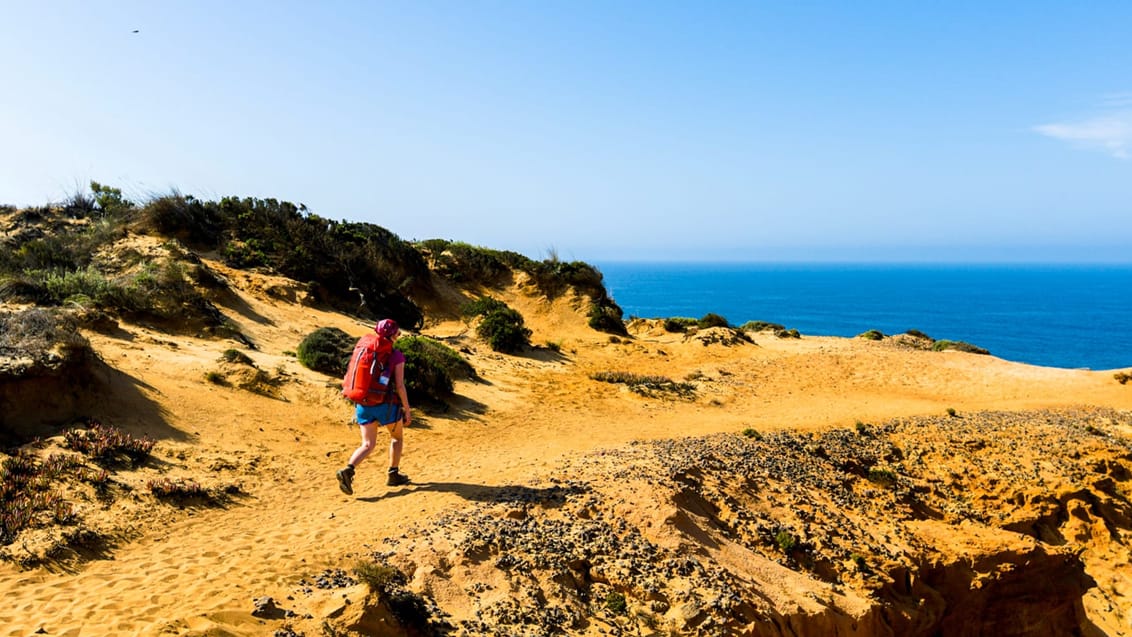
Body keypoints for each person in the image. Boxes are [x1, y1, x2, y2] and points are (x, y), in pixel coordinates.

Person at [336, 318, 412, 494]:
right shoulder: (396, 355)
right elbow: (400, 386)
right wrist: (407, 410)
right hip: (386, 405)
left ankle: (348, 470)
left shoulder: (367, 347)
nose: (399, 336)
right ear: (393, 335)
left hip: (363, 403)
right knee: (397, 438)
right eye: (398, 333)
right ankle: (393, 474)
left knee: (368, 444)